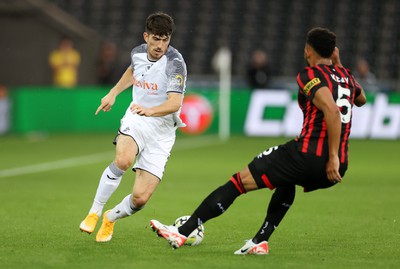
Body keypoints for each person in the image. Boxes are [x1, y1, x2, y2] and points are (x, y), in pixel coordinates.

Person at [150, 27, 367, 255]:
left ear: (307, 50)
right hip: (340, 165)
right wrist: (339, 64)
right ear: (334, 52)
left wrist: (330, 156)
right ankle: (259, 241)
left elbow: (332, 111)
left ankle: (183, 231)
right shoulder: (346, 75)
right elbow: (360, 99)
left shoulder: (309, 75)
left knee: (238, 182)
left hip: (311, 155)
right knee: (286, 180)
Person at [79, 12, 187, 243]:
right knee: (124, 160)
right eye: (156, 39)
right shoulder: (137, 52)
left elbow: (174, 103)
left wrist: (151, 111)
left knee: (140, 199)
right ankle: (94, 212)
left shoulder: (175, 64)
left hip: (163, 131)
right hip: (137, 118)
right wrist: (114, 92)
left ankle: (110, 217)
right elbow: (133, 70)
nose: (160, 45)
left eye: (165, 39)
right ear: (146, 36)